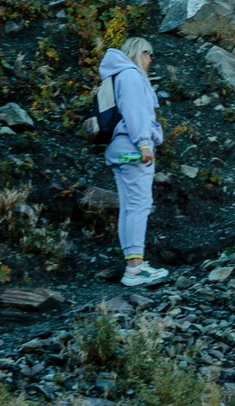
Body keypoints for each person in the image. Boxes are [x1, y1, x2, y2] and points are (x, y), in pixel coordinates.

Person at [98, 37, 167, 287]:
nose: (151, 59)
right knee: (140, 204)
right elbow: (134, 111)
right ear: (140, 52)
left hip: (119, 148)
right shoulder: (131, 75)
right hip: (133, 147)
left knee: (129, 206)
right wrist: (144, 143)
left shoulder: (118, 74)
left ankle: (133, 262)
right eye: (150, 54)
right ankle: (135, 270)